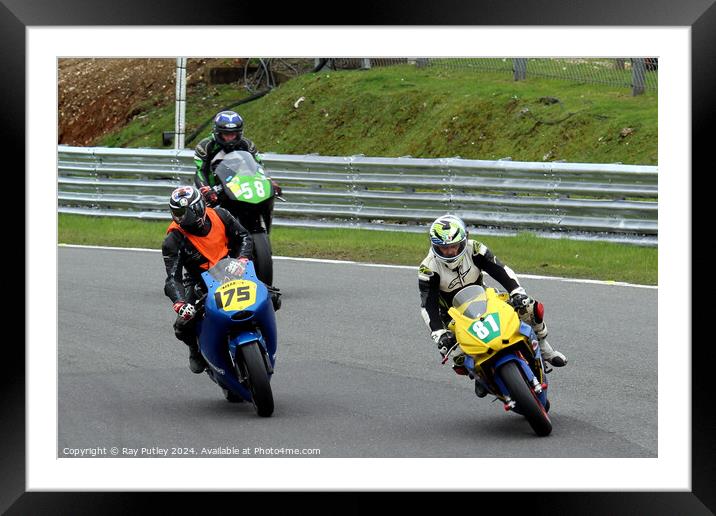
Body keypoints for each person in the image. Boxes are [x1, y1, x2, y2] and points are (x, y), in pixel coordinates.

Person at [418, 214, 567, 396]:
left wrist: (517, 291)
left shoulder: (475, 249)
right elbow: (428, 305)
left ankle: (544, 348)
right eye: (443, 248)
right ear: (434, 246)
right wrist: (439, 334)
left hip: (485, 298)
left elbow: (500, 270)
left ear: (464, 240)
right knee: (455, 357)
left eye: (454, 246)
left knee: (529, 307)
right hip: (453, 314)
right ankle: (479, 374)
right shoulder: (428, 268)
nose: (449, 252)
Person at [162, 185, 254, 373]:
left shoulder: (221, 215)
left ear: (198, 208)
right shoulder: (174, 239)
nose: (181, 218)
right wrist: (179, 303)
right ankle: (195, 349)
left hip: (233, 270)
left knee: (272, 297)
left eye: (185, 213)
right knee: (182, 325)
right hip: (199, 281)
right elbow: (172, 278)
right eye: (177, 213)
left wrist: (242, 259)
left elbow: (244, 236)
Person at [193, 110, 281, 206]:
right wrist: (206, 190)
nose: (230, 138)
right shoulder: (205, 146)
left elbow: (258, 166)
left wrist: (270, 182)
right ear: (218, 133)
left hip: (240, 191)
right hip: (213, 192)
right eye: (226, 134)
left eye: (233, 134)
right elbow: (200, 171)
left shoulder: (247, 145)